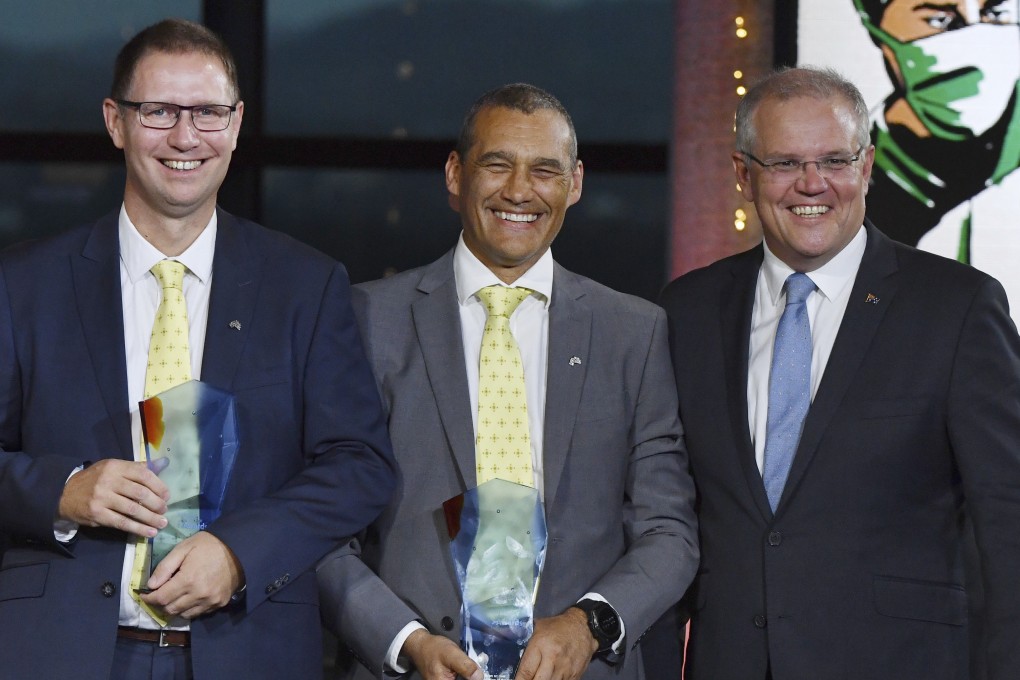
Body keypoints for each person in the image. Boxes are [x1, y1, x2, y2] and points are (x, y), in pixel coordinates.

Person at [0, 18, 396, 680]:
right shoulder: (23, 284)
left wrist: (241, 553)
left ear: (237, 124)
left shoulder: (305, 284)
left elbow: (360, 465)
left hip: (247, 649)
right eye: (159, 111)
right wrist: (63, 491)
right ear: (115, 121)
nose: (186, 136)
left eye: (208, 113)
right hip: (57, 651)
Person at [317, 83, 698, 680]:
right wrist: (408, 642)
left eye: (544, 170)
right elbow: (323, 527)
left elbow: (668, 531)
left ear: (574, 184)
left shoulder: (634, 332)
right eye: (497, 164)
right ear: (454, 174)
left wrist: (586, 626)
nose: (520, 191)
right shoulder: (366, 320)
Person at [659, 66, 1020, 679]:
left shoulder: (957, 308)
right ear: (744, 173)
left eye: (834, 160)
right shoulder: (685, 312)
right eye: (784, 163)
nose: (812, 184)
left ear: (867, 166)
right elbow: (664, 521)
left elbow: (1010, 515)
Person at [852, 0, 1020, 251]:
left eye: (995, 13)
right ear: (878, 29)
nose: (976, 37)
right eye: (939, 20)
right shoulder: (849, 187)